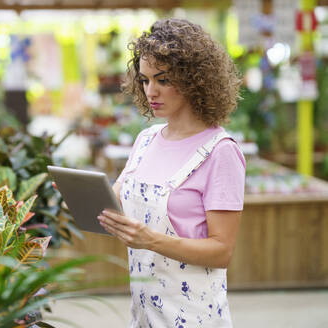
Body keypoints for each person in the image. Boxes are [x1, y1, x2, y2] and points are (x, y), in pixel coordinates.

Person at [97, 18, 245, 327]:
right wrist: (82, 193)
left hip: (194, 317)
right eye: (145, 80)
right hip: (144, 316)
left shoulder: (221, 152)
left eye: (163, 79)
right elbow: (119, 202)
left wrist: (150, 240)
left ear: (195, 80)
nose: (152, 91)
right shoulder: (146, 140)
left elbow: (222, 251)